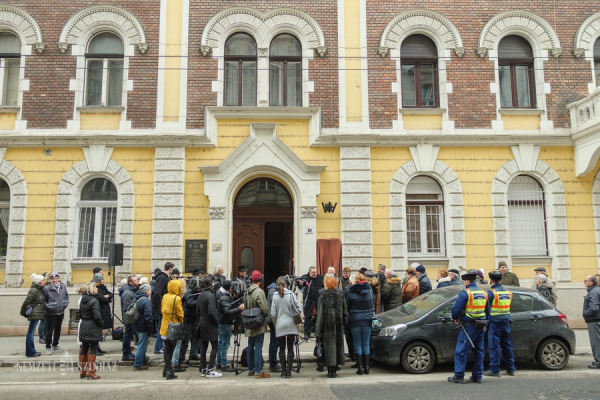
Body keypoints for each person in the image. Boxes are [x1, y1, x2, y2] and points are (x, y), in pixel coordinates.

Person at [447, 271, 489, 384]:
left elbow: (456, 310)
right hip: (481, 325)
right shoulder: (484, 293)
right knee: (479, 351)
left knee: (460, 351)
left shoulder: (466, 293)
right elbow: (487, 310)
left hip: (469, 326)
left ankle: (459, 375)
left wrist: (456, 317)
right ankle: (477, 376)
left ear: (466, 281)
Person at [315, 275, 348, 378]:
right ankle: (335, 369)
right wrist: (344, 324)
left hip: (327, 326)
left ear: (327, 285)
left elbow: (320, 315)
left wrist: (318, 331)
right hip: (338, 325)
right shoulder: (340, 296)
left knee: (329, 347)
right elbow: (345, 313)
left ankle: (330, 370)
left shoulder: (323, 297)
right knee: (337, 346)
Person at [484, 271, 516, 377]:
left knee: (494, 346)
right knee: (507, 346)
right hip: (506, 321)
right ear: (501, 280)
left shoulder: (491, 293)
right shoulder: (508, 292)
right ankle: (511, 369)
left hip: (494, 323)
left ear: (491, 281)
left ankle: (494, 369)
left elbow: (487, 309)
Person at [270, 276, 301, 378]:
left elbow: (273, 313)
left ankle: (283, 372)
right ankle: (289, 371)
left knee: (282, 348)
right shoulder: (291, 294)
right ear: (286, 284)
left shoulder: (275, 295)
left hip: (280, 323)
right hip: (291, 323)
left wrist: (275, 323)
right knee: (290, 348)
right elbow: (299, 308)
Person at [346, 272, 373, 375]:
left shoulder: (351, 291)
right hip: (367, 319)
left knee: (357, 343)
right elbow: (372, 304)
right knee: (366, 342)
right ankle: (367, 367)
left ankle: (360, 368)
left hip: (355, 319)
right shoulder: (369, 291)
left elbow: (347, 305)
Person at [245, 270, 270, 379]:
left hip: (249, 320)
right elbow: (264, 308)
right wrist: (267, 315)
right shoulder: (259, 292)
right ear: (260, 280)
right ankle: (258, 371)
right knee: (258, 346)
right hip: (258, 321)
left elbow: (245, 305)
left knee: (250, 345)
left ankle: (250, 369)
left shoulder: (247, 291)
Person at [216, 280, 244, 372]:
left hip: (221, 322)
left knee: (221, 343)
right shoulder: (224, 297)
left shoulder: (221, 294)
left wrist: (234, 299)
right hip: (224, 322)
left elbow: (228, 306)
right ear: (229, 289)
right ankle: (224, 364)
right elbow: (227, 311)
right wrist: (239, 308)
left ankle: (219, 363)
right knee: (225, 343)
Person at [196, 276, 222, 378]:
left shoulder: (201, 295)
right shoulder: (211, 296)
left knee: (204, 346)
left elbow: (197, 311)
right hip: (210, 324)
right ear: (211, 285)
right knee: (215, 346)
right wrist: (217, 322)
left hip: (202, 323)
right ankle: (210, 369)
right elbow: (212, 313)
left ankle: (203, 369)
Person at [77, 283, 104, 379]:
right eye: (95, 287)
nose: (97, 289)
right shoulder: (94, 300)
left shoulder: (82, 300)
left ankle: (82, 371)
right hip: (93, 325)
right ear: (92, 290)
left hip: (84, 324)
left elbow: (79, 314)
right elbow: (97, 315)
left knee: (84, 347)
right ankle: (91, 371)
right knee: (93, 347)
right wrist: (101, 323)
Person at [160, 279, 184, 380]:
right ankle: (169, 371)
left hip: (165, 324)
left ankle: (166, 370)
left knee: (166, 348)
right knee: (171, 348)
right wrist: (181, 321)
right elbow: (180, 313)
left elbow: (162, 309)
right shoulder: (177, 298)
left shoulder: (165, 296)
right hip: (173, 325)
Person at [43, 272, 69, 355]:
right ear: (50, 280)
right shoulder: (46, 288)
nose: (54, 280)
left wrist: (64, 304)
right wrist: (49, 307)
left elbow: (66, 296)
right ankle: (48, 346)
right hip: (51, 313)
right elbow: (44, 300)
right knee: (49, 330)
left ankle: (55, 344)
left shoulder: (63, 286)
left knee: (58, 329)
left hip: (60, 311)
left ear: (58, 279)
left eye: (56, 278)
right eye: (53, 279)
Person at [20, 273, 46, 357]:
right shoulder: (34, 290)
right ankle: (30, 352)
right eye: (43, 280)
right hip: (34, 313)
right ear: (39, 282)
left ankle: (32, 351)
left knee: (31, 332)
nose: (44, 281)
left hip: (36, 313)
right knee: (30, 332)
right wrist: (23, 312)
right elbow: (26, 302)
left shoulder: (39, 289)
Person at [153, 262, 174, 354]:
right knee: (161, 327)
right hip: (162, 307)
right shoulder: (162, 277)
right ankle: (158, 347)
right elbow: (157, 293)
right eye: (172, 269)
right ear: (169, 268)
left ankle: (160, 346)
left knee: (163, 327)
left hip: (164, 307)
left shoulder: (165, 277)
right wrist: (162, 306)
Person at [132, 284, 153, 371]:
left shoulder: (136, 298)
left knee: (141, 343)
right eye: (150, 290)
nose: (151, 291)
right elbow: (148, 316)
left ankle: (142, 358)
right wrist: (151, 328)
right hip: (142, 325)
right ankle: (138, 364)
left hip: (136, 324)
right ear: (147, 291)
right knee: (142, 345)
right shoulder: (146, 301)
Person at [299, 266, 324, 340]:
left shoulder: (321, 278)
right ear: (309, 272)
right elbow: (300, 286)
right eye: (313, 272)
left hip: (317, 300)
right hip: (308, 300)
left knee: (318, 316)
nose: (315, 274)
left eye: (316, 272)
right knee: (307, 317)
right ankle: (306, 333)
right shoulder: (304, 278)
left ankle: (317, 332)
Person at [180, 275, 201, 364]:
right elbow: (189, 303)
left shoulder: (196, 291)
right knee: (185, 339)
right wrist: (200, 300)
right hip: (188, 319)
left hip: (195, 318)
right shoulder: (189, 292)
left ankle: (194, 353)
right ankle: (181, 358)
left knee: (196, 337)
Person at [118, 275, 139, 361]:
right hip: (129, 318)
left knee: (129, 335)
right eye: (135, 280)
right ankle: (126, 353)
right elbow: (128, 308)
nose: (137, 281)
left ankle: (128, 353)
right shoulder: (127, 293)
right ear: (131, 282)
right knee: (127, 335)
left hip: (131, 317)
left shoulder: (132, 290)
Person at [583, 275, 600, 369]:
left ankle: (598, 361)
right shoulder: (597, 290)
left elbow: (594, 308)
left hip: (594, 320)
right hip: (597, 319)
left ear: (591, 282)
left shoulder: (593, 292)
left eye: (585, 281)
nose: (584, 282)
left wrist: (585, 314)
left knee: (596, 342)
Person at [94, 273, 112, 355]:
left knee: (100, 330)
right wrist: (107, 298)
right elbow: (101, 298)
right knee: (97, 331)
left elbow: (111, 294)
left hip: (105, 311)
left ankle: (98, 348)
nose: (104, 281)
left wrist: (107, 297)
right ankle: (95, 349)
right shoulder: (95, 289)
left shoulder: (103, 288)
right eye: (102, 279)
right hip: (100, 311)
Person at [266, 280, 281, 373]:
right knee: (275, 342)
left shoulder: (271, 291)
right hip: (274, 320)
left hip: (272, 320)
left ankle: (273, 362)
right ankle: (273, 364)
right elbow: (273, 309)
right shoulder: (274, 293)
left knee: (273, 342)